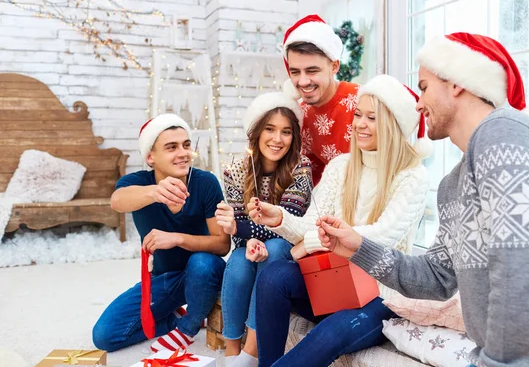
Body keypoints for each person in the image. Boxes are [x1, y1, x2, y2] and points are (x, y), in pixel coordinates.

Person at [317, 33, 529, 366]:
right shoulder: (454, 184)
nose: (419, 104)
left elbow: (524, 275)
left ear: (455, 84)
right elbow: (437, 278)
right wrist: (357, 247)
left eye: (423, 86)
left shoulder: (505, 132)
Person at [248, 75, 432, 366]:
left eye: (372, 118)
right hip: (334, 282)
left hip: (380, 297)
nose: (359, 123)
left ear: (393, 125)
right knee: (274, 276)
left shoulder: (413, 176)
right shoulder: (340, 167)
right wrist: (280, 217)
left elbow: (381, 237)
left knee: (331, 331)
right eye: (358, 114)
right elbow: (312, 223)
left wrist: (313, 242)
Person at [92, 114, 230, 352]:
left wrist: (177, 239)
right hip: (164, 278)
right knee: (105, 336)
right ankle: (179, 317)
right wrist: (155, 193)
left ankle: (188, 326)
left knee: (201, 263)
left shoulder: (205, 183)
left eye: (186, 145)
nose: (183, 153)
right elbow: (117, 201)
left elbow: (222, 245)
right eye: (171, 147)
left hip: (204, 273)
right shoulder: (137, 183)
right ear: (150, 157)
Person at [214, 83, 313, 367]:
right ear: (256, 132)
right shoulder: (235, 170)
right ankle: (231, 350)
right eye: (270, 129)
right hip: (252, 245)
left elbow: (287, 222)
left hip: (288, 249)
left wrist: (241, 230)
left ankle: (252, 352)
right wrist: (246, 239)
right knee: (240, 262)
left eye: (286, 131)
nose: (277, 139)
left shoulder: (300, 167)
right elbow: (238, 227)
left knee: (277, 246)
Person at [283, 14, 360, 185]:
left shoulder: (363, 103)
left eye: (312, 71)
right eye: (295, 72)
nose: (302, 82)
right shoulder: (297, 114)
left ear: (334, 66)